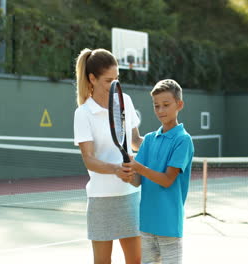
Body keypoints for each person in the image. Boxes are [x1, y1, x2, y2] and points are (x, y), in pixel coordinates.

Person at [73, 48, 143, 264]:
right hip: (101, 198)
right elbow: (89, 158)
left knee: (136, 261)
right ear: (92, 79)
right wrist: (115, 169)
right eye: (107, 80)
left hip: (130, 193)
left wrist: (161, 143)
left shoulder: (126, 102)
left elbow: (135, 141)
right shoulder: (83, 113)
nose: (114, 84)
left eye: (117, 79)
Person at [125, 79, 194, 264]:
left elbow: (166, 180)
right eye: (156, 106)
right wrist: (127, 174)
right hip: (146, 224)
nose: (160, 111)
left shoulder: (183, 140)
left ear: (179, 105)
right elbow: (137, 180)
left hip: (169, 226)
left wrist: (138, 167)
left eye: (166, 105)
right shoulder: (148, 139)